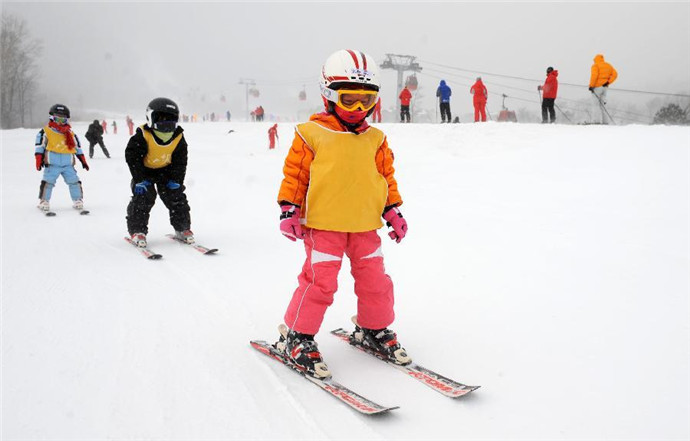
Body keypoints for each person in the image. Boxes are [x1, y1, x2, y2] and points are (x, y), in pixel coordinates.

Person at [274, 49, 411, 378]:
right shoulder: (311, 134)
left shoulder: (376, 139)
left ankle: (373, 329)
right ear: (329, 95)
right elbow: (295, 176)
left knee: (375, 282)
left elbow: (385, 179)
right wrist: (289, 209)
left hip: (365, 226)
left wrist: (392, 211)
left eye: (367, 101)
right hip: (324, 226)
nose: (359, 109)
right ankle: (297, 336)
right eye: (349, 100)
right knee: (319, 284)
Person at [125, 97, 194, 248]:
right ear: (150, 119)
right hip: (145, 173)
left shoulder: (178, 138)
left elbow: (180, 161)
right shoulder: (143, 135)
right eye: (161, 121)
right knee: (143, 198)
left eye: (170, 122)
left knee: (176, 197)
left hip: (167, 172)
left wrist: (176, 180)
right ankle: (138, 230)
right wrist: (139, 178)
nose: (166, 127)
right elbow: (132, 157)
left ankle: (182, 227)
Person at [35, 104, 90, 213]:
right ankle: (44, 201)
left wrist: (83, 160)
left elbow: (77, 147)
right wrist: (39, 159)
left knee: (74, 182)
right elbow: (40, 146)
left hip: (68, 164)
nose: (60, 121)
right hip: (52, 164)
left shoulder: (70, 133)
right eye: (57, 118)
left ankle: (77, 200)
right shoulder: (46, 131)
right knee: (48, 182)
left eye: (63, 119)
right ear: (52, 118)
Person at [589, 54, 618, 124]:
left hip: (597, 87)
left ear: (596, 60)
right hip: (605, 88)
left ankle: (596, 121)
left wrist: (591, 86)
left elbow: (594, 76)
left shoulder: (595, 65)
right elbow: (615, 74)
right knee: (603, 105)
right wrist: (608, 82)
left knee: (595, 105)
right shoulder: (608, 65)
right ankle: (605, 122)